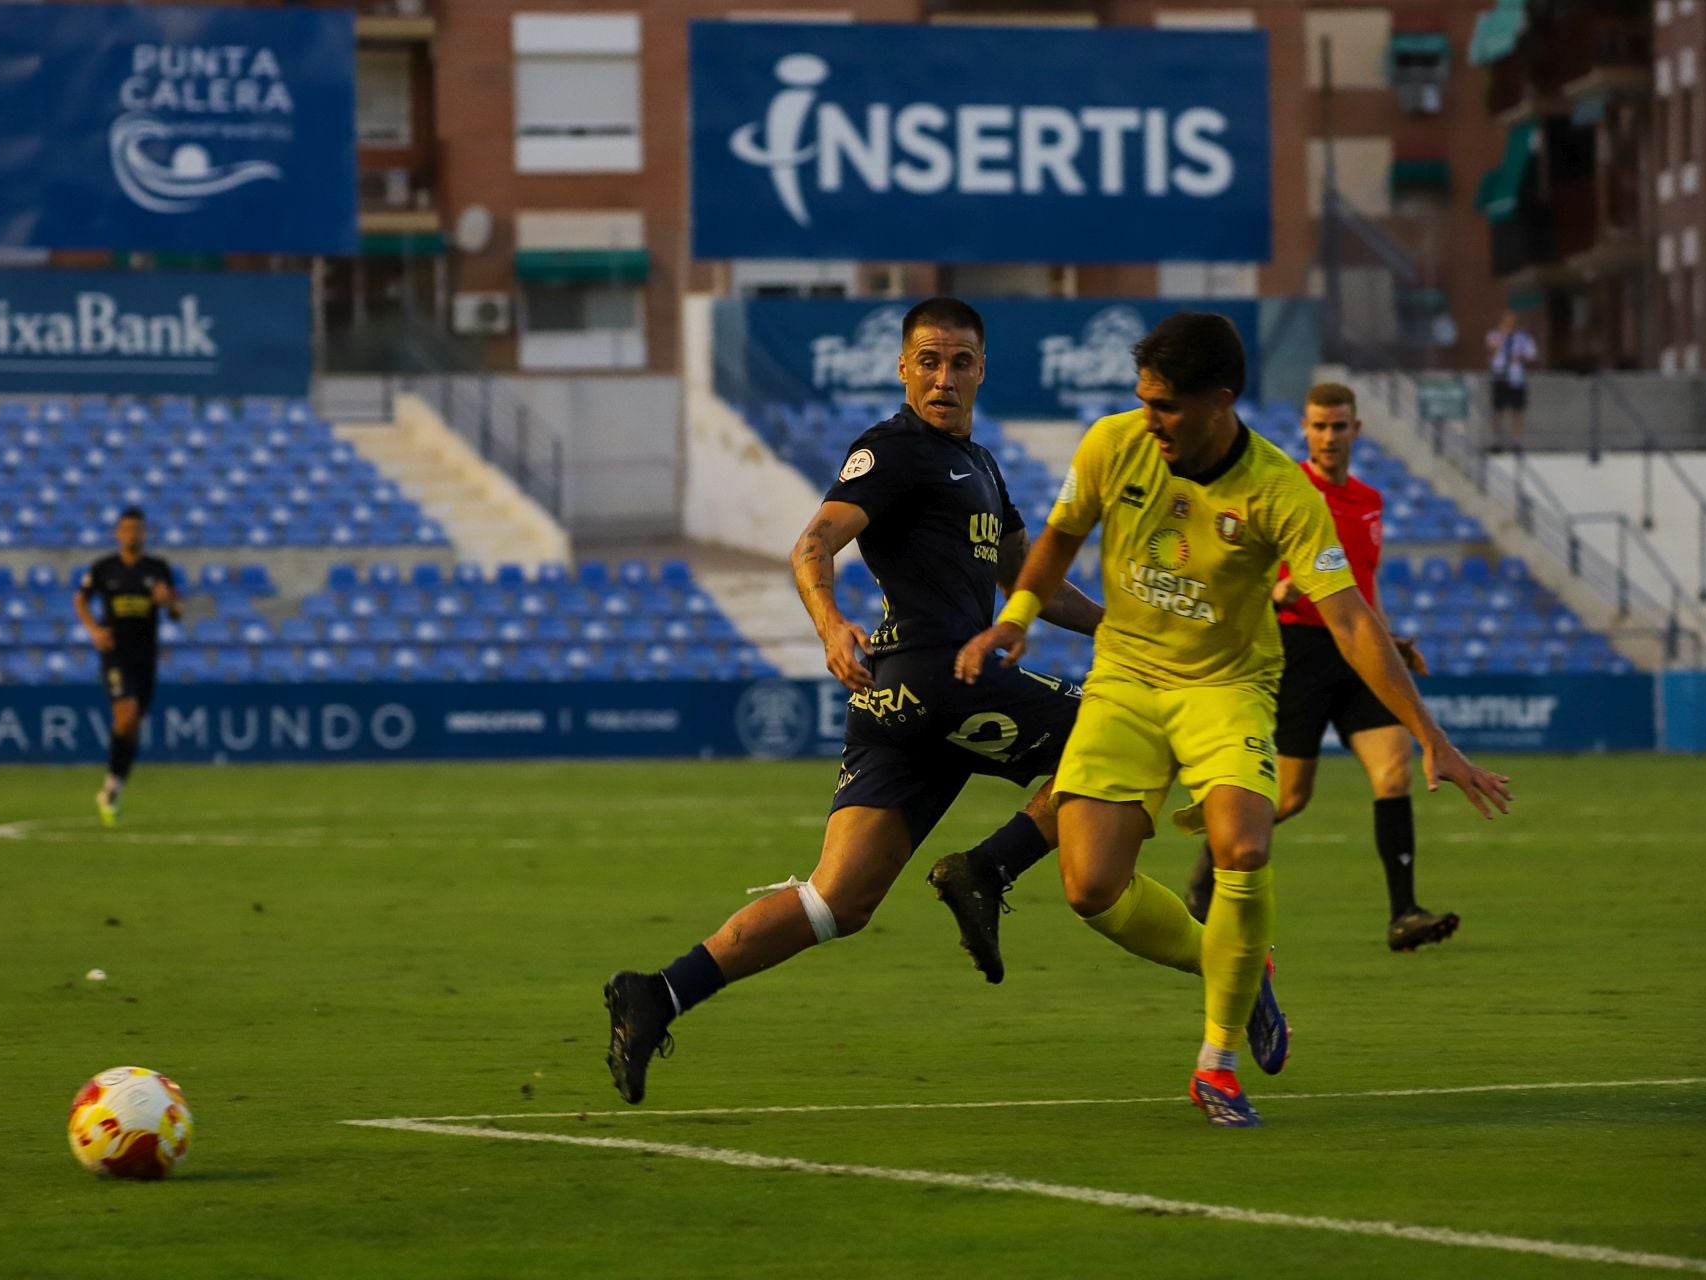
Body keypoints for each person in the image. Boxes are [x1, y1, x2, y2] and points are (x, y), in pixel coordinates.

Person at [957, 313, 1511, 1127]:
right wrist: (1020, 614)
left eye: (1168, 405)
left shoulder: (1280, 490)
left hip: (1227, 687)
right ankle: (1244, 974)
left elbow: (1353, 621)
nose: (1152, 418)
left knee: (1244, 844)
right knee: (1089, 888)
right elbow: (1060, 536)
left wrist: (1433, 737)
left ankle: (1216, 1064)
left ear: (1221, 400)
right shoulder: (1114, 443)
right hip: (1126, 679)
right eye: (1145, 400)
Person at [601, 296, 1114, 1105]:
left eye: (961, 362)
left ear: (982, 370)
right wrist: (829, 621)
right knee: (1115, 738)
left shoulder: (981, 467)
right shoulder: (893, 451)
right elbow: (814, 541)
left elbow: (1030, 582)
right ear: (904, 368)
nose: (944, 377)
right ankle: (988, 866)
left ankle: (658, 993)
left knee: (835, 901)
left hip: (898, 705)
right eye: (929, 361)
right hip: (935, 676)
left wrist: (1120, 627)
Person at [1183, 383, 1459, 952]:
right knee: (1290, 798)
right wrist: (1275, 590)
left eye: (1339, 426)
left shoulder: (1370, 501)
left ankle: (1404, 913)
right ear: (1305, 430)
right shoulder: (1282, 489)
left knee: (1394, 773)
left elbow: (1364, 587)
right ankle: (1212, 862)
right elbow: (1232, 567)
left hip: (1354, 653)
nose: (1329, 436)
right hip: (1297, 652)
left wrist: (1392, 642)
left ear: (1356, 430)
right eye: (1319, 426)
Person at [73, 507, 178, 827]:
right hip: (115, 654)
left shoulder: (158, 568)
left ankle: (112, 787)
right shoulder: (104, 568)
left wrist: (168, 602)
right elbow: (80, 598)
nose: (131, 533)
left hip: (145, 657)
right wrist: (94, 629)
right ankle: (113, 786)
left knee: (132, 725)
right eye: (126, 528)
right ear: (118, 533)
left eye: (137, 528)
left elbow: (177, 613)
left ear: (144, 533)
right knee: (127, 713)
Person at [1486, 310, 1537, 449]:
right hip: (1500, 375)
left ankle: (1517, 441)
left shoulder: (1523, 337)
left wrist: (1519, 357)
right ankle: (1498, 441)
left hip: (1516, 376)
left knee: (1517, 410)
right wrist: (1501, 339)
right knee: (1498, 409)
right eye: (1506, 320)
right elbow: (1491, 353)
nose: (1509, 323)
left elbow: (1531, 356)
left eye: (1511, 321)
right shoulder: (1494, 335)